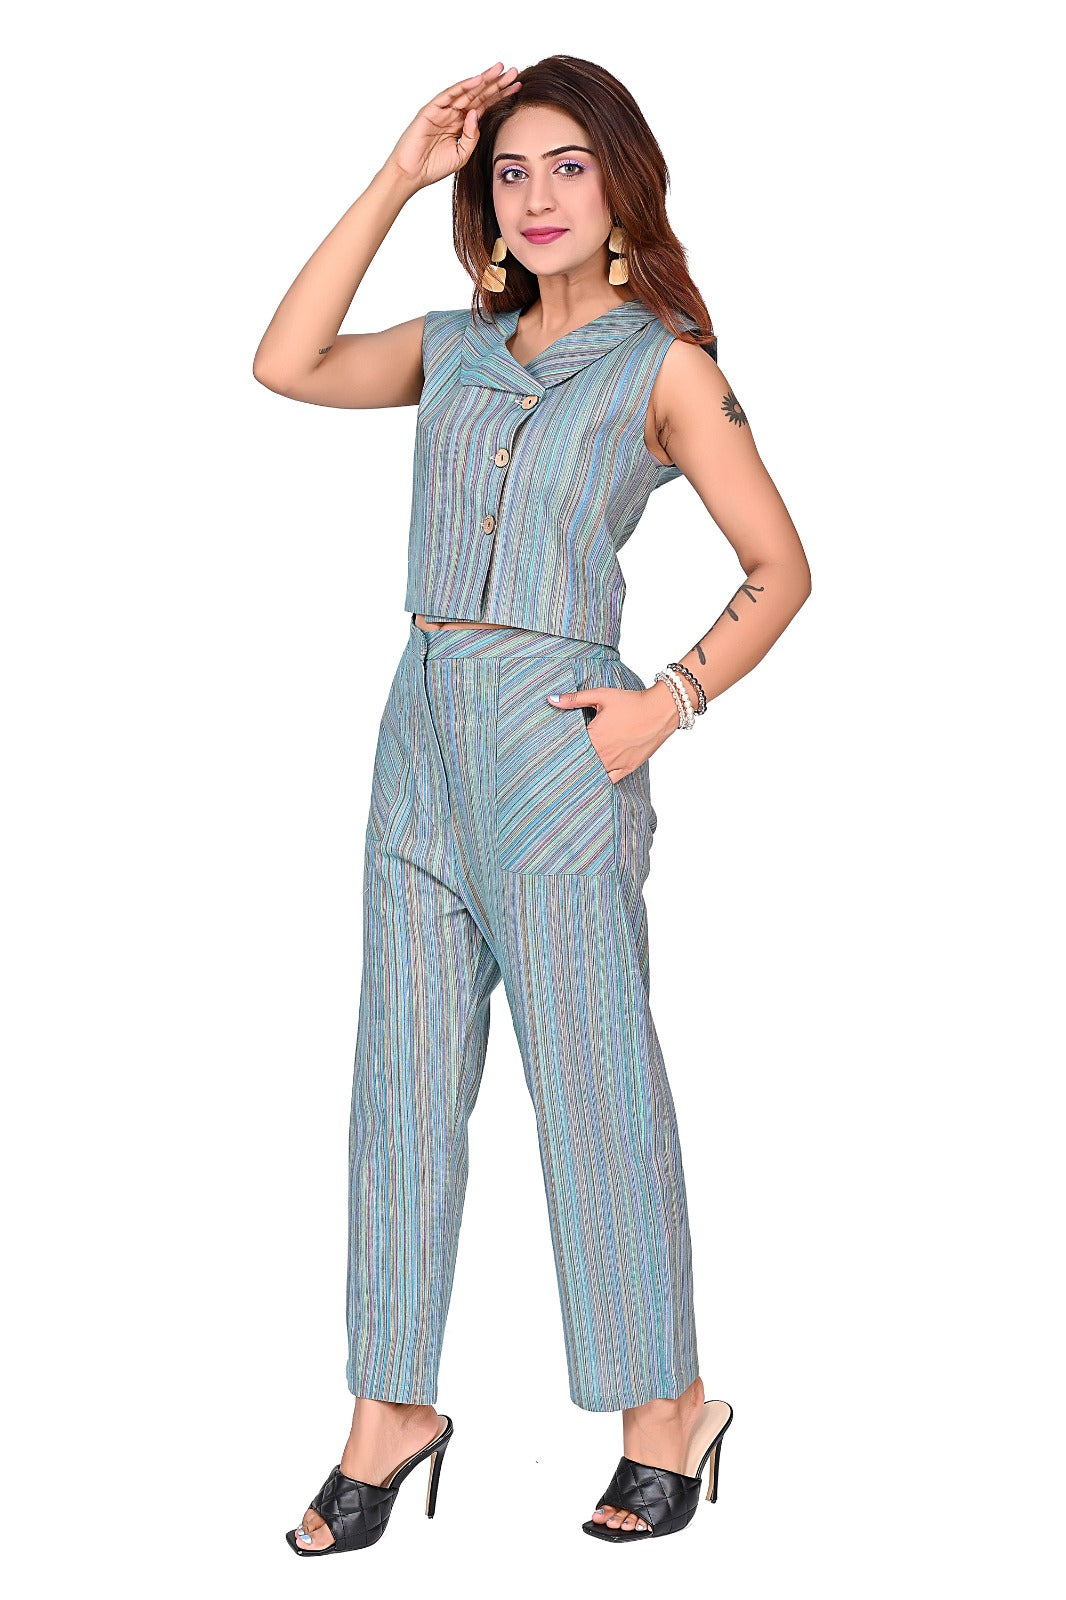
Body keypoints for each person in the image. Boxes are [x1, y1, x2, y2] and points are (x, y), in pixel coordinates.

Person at [253, 54, 811, 1552]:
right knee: (399, 1081)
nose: (539, 195)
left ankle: (665, 1410)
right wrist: (400, 172)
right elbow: (286, 361)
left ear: (621, 183)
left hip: (561, 743)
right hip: (417, 733)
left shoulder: (664, 368)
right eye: (510, 171)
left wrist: (666, 702)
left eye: (569, 165)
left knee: (589, 1081)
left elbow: (781, 569)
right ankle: (389, 1409)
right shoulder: (456, 347)